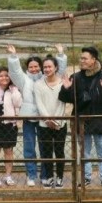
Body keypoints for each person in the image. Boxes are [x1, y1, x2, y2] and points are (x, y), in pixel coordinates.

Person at [58, 46, 102, 187]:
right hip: (82, 120)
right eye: (81, 58)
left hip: (101, 118)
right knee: (84, 152)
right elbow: (64, 98)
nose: (82, 61)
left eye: (85, 58)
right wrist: (67, 88)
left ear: (93, 60)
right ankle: (86, 177)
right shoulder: (76, 77)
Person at [7, 44, 67, 187]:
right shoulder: (24, 80)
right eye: (31, 67)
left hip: (43, 119)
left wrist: (60, 54)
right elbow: (15, 72)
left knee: (44, 148)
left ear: (41, 67)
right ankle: (31, 175)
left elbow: (60, 69)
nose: (34, 69)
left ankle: (46, 175)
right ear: (27, 68)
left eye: (36, 66)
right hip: (29, 118)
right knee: (29, 147)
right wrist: (14, 56)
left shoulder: (45, 78)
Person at [34, 55, 67, 189]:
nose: (47, 69)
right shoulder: (38, 84)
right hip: (44, 124)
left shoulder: (63, 83)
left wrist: (56, 121)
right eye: (45, 67)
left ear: (56, 68)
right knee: (46, 152)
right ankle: (48, 177)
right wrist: (48, 119)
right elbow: (39, 104)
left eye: (49, 66)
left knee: (59, 151)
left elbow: (63, 104)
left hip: (60, 124)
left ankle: (59, 177)